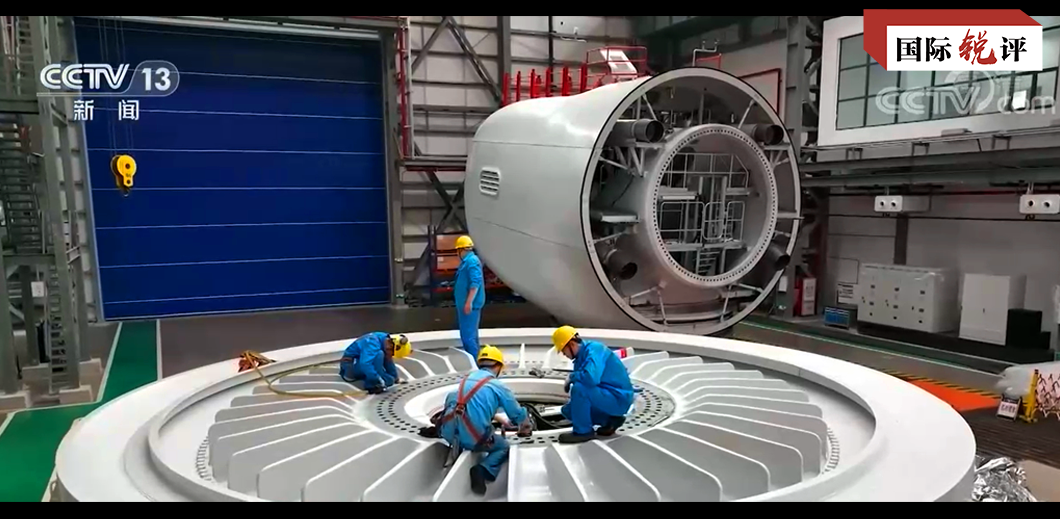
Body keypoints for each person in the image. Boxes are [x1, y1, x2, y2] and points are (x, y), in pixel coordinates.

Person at [421, 345, 531, 496]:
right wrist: (525, 428)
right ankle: (482, 470)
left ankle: (437, 431)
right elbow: (516, 413)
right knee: (503, 446)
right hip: (472, 439)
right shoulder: (498, 386)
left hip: (448, 433)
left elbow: (457, 402)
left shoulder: (466, 380)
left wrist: (499, 419)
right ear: (498, 366)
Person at [551, 325, 635, 444]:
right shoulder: (580, 358)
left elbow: (591, 378)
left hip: (618, 397)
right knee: (568, 411)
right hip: (606, 395)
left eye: (563, 351)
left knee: (580, 389)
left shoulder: (594, 350)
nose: (564, 355)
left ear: (571, 344)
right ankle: (610, 421)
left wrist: (572, 377)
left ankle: (583, 432)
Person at [338, 332, 412, 394]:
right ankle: (372, 385)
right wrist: (377, 379)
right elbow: (365, 364)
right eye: (392, 353)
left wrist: (395, 378)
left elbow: (388, 359)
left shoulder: (384, 339)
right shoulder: (372, 343)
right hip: (349, 369)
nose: (391, 356)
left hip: (359, 363)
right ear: (390, 346)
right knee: (379, 354)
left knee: (390, 379)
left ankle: (375, 378)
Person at [453, 235, 486, 358]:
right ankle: (476, 360)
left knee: (468, 337)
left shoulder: (471, 261)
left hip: (469, 306)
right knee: (470, 335)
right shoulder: (467, 261)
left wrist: (469, 302)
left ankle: (474, 363)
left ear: (461, 250)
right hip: (465, 305)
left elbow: (475, 282)